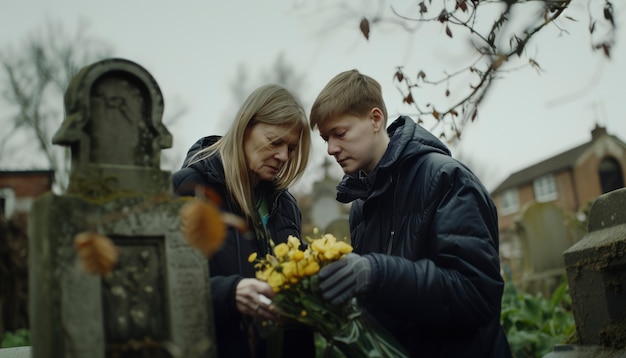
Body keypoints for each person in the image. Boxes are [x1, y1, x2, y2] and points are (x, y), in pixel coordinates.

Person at [309, 69, 512, 357]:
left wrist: (376, 273)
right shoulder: (360, 205)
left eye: (339, 134)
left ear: (376, 119)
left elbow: (476, 296)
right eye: (326, 138)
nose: (330, 149)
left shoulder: (446, 178)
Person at [172, 84, 315, 358]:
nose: (284, 156)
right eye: (275, 142)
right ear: (245, 128)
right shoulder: (187, 191)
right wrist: (229, 293)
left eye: (291, 147)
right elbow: (162, 287)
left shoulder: (285, 204)